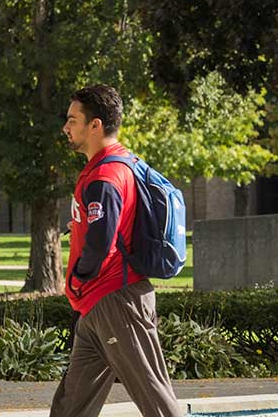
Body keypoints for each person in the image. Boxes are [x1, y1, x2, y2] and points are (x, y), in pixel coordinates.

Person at [49, 85, 182, 417]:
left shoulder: (107, 174)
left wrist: (79, 277)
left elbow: (101, 242)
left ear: (95, 125)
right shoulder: (114, 165)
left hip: (116, 302)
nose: (66, 127)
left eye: (72, 119)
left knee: (155, 399)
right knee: (71, 404)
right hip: (97, 307)